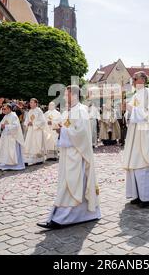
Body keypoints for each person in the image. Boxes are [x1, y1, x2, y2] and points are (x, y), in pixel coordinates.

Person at [37, 85, 101, 229]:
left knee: (73, 184)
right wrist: (61, 131)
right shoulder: (67, 112)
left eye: (67, 94)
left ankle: (63, 218)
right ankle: (81, 214)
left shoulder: (81, 110)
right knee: (68, 184)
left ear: (75, 95)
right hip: (68, 154)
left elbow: (82, 134)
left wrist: (63, 131)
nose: (65, 97)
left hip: (78, 155)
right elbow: (69, 130)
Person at [122, 71, 149, 208]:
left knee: (143, 164)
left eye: (135, 78)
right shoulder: (135, 95)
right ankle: (137, 195)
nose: (133, 81)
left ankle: (148, 196)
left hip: (145, 132)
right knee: (133, 164)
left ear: (143, 80)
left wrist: (131, 109)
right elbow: (131, 114)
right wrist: (126, 110)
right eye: (133, 79)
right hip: (134, 133)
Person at [0, 104, 25, 171]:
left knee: (11, 151)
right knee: (4, 151)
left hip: (12, 137)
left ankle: (13, 164)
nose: (3, 110)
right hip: (6, 137)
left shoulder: (14, 116)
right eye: (3, 109)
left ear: (9, 109)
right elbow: (1, 123)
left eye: (5, 109)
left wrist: (6, 126)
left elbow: (16, 126)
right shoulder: (6, 116)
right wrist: (2, 126)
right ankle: (4, 163)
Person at [23, 98, 46, 166]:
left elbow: (43, 121)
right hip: (30, 130)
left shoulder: (39, 111)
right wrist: (27, 123)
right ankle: (27, 160)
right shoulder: (30, 111)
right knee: (29, 144)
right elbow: (26, 120)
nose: (30, 104)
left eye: (32, 102)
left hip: (37, 131)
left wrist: (34, 123)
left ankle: (38, 159)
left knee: (36, 144)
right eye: (30, 102)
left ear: (36, 103)